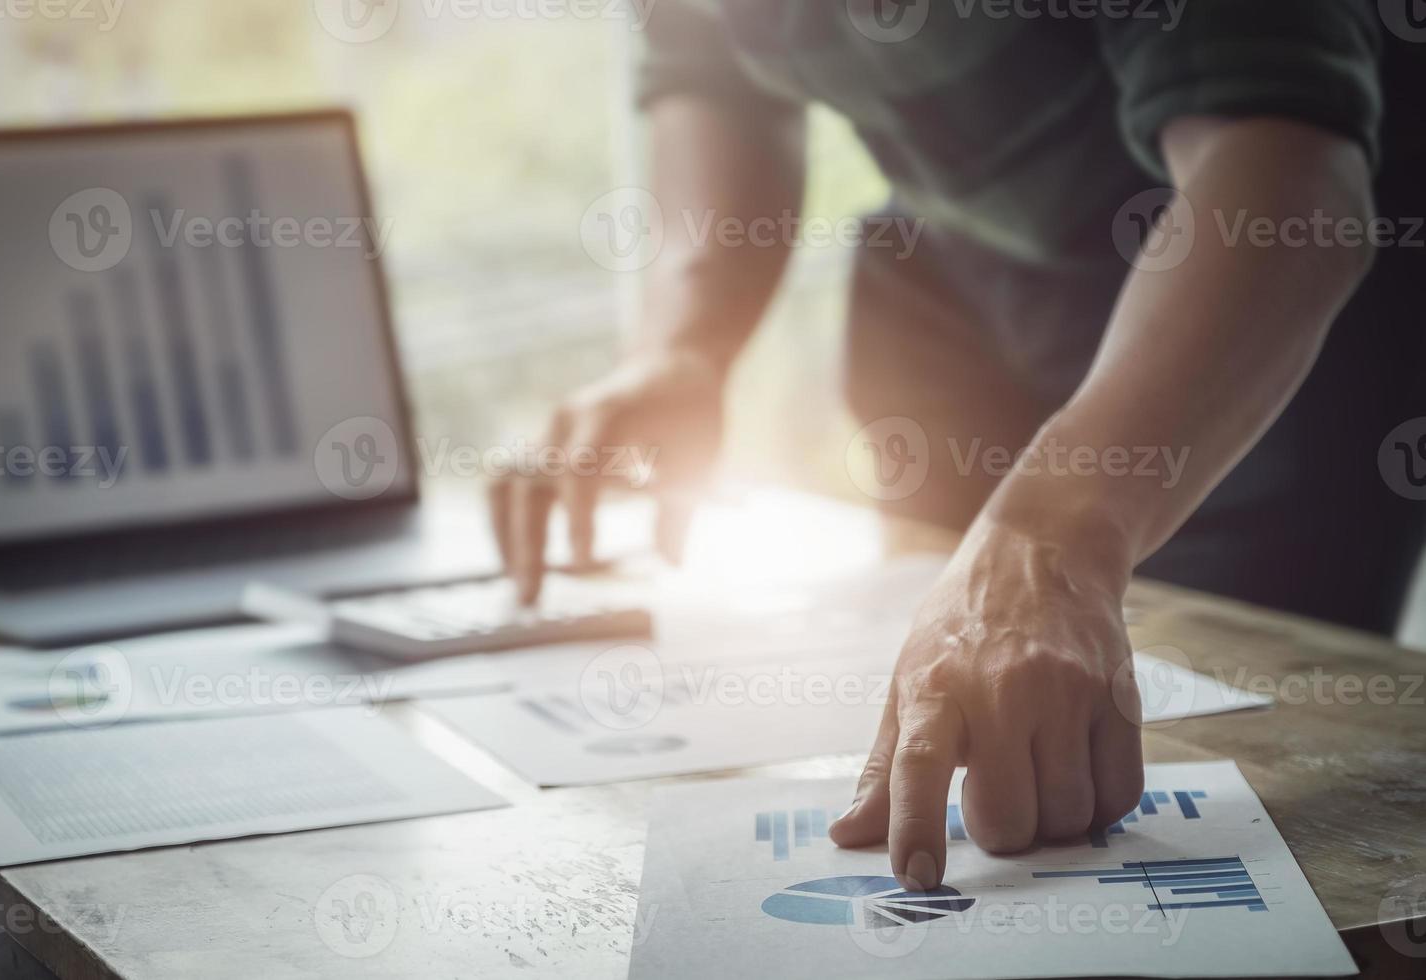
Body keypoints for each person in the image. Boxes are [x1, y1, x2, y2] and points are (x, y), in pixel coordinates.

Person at [490, 0, 1426, 890]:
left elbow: (1286, 182)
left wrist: (1057, 536)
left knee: (1218, 780)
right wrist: (684, 348)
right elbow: (714, 68)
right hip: (947, 285)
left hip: (1235, 302)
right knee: (961, 730)